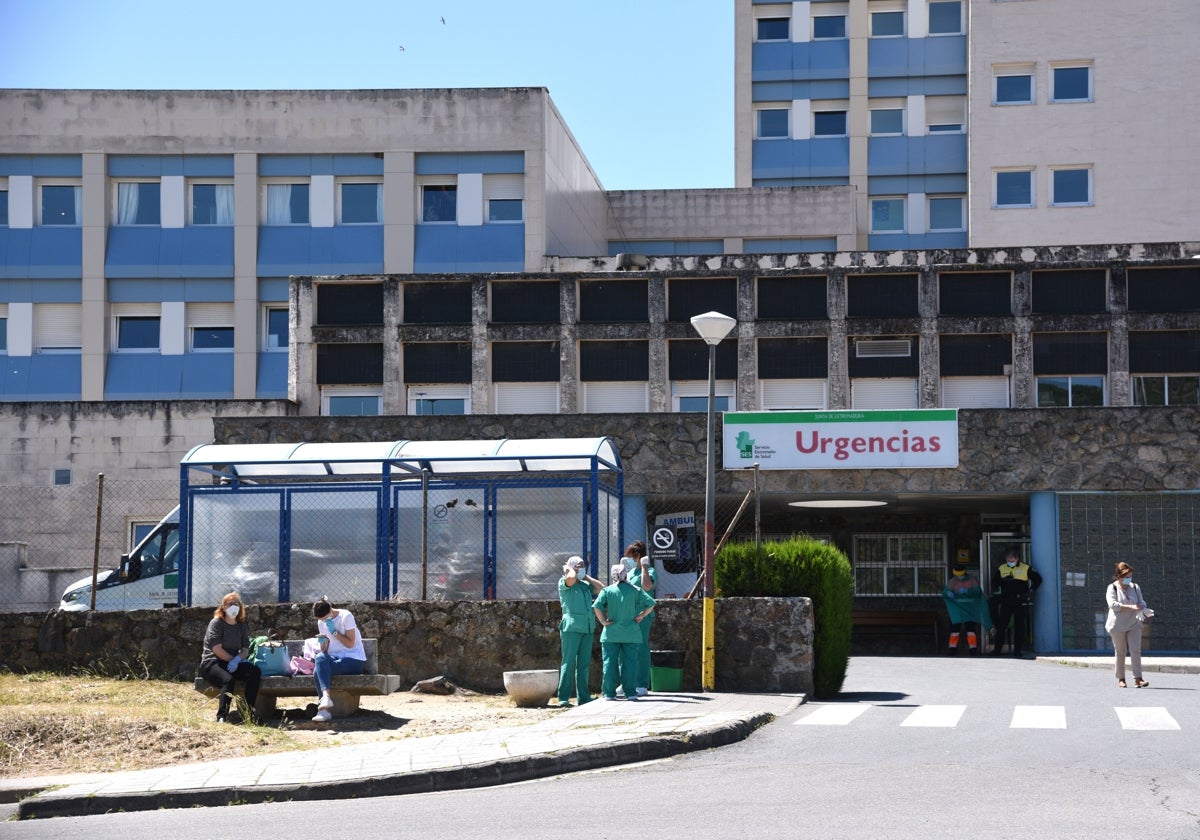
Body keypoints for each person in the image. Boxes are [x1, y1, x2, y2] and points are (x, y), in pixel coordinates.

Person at [592, 562, 656, 701]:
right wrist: (641, 615)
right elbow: (651, 603)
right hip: (631, 633)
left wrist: (603, 621)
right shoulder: (635, 590)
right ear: (626, 574)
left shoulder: (607, 591)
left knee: (609, 664)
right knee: (631, 664)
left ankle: (609, 693)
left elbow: (597, 607)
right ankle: (631, 693)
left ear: (612, 575)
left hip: (611, 633)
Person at [198, 591, 262, 724]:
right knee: (228, 680)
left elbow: (245, 648)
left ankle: (249, 714)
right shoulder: (216, 623)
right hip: (213, 662)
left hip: (233, 662)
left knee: (254, 672)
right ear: (223, 607)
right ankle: (222, 716)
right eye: (230, 604)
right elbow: (216, 649)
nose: (234, 606)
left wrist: (238, 659)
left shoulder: (241, 625)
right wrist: (232, 660)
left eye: (236, 604)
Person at [311, 597, 367, 722]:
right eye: (321, 620)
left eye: (325, 618)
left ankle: (324, 710)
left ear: (330, 610)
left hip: (353, 658)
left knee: (317, 671)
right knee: (320, 658)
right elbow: (325, 651)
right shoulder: (321, 622)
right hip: (334, 658)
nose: (324, 622)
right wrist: (323, 643)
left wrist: (334, 632)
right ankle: (326, 699)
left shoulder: (346, 616)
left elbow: (351, 644)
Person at [556, 555, 601, 707]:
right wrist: (570, 570)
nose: (582, 568)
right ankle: (563, 697)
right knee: (568, 662)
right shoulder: (565, 582)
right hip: (572, 628)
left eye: (583, 565)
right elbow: (570, 579)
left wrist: (586, 576)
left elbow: (601, 588)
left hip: (587, 627)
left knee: (583, 664)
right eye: (579, 565)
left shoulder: (583, 585)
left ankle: (583, 696)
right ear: (571, 567)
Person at [1105, 562, 1151, 688]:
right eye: (1126, 577)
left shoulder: (1135, 587)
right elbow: (1113, 605)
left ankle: (1138, 678)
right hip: (1117, 625)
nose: (1128, 580)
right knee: (1120, 651)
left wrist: (1143, 606)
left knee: (1135, 650)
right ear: (1119, 576)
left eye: (1130, 577)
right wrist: (1130, 606)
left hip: (1134, 623)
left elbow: (1141, 601)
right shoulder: (1112, 588)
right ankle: (1121, 678)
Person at [991, 547, 1042, 656]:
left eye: (1012, 561)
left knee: (1020, 626)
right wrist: (1003, 581)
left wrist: (1031, 591)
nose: (1010, 562)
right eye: (1008, 560)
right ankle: (997, 650)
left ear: (1017, 559)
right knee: (1001, 626)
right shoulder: (1002, 568)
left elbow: (1038, 579)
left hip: (1020, 600)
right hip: (1006, 600)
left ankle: (1017, 651)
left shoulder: (1025, 568)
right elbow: (994, 582)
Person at [624, 539, 656, 695]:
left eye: (632, 557)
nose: (630, 560)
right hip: (628, 615)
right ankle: (627, 682)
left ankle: (642, 683)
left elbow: (647, 586)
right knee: (626, 648)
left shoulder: (650, 571)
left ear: (638, 556)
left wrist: (644, 566)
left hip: (643, 616)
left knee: (641, 648)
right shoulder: (630, 573)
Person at [942, 556, 989, 655]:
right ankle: (952, 649)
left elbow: (977, 593)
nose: (960, 577)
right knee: (955, 630)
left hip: (969, 608)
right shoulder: (953, 581)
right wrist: (949, 594)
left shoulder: (972, 580)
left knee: (970, 630)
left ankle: (973, 649)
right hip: (957, 609)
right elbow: (946, 593)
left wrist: (968, 592)